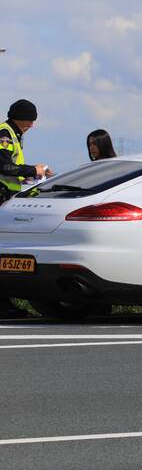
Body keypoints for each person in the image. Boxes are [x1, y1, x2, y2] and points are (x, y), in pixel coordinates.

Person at [0, 99, 53, 319]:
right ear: (19, 117)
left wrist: (36, 173)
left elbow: (12, 168)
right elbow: (3, 166)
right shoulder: (5, 133)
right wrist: (33, 169)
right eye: (30, 120)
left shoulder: (14, 134)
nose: (32, 125)